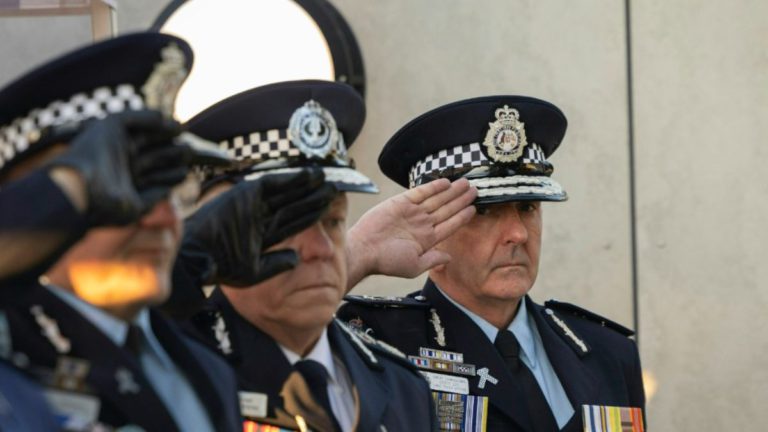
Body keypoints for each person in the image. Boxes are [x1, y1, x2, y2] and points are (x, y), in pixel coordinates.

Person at [179, 80, 477, 431]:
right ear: (219, 229)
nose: (321, 248)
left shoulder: (402, 386)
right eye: (289, 225)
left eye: (333, 221)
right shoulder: (175, 373)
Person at [338, 96, 646, 432]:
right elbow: (292, 359)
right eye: (485, 211)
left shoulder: (608, 353)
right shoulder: (374, 344)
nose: (518, 234)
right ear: (432, 227)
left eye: (528, 208)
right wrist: (359, 254)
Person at [0, 32, 241, 431]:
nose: (163, 219)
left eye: (168, 188)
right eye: (124, 192)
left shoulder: (208, 370)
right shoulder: (14, 351)